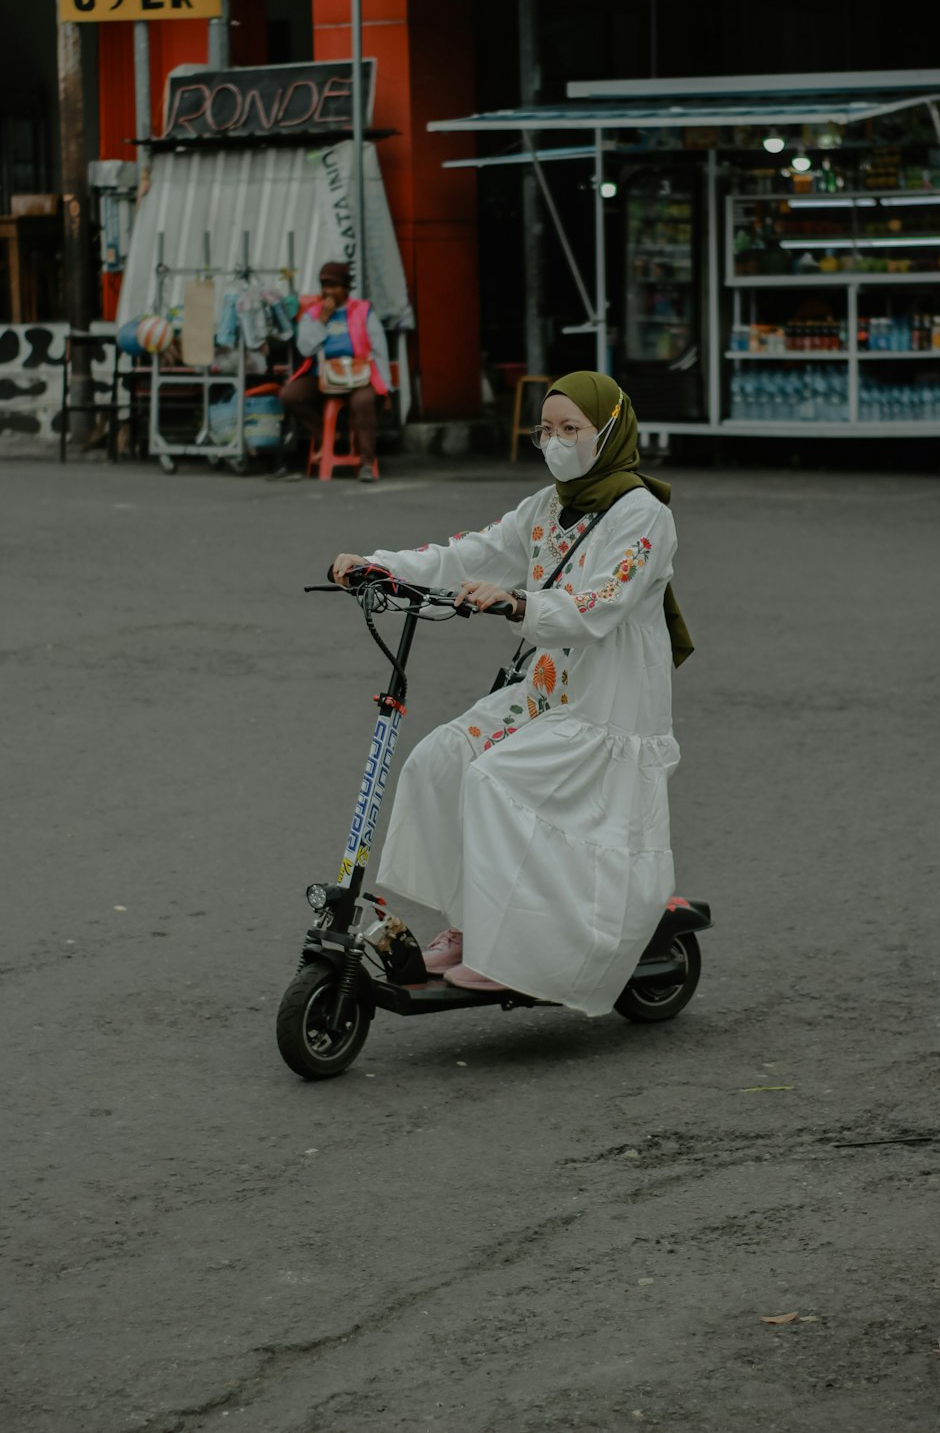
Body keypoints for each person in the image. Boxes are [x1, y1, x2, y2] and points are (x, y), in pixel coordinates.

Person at [330, 371, 693, 1017]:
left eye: (570, 430)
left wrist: (520, 601)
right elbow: (470, 553)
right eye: (545, 430)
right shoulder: (546, 506)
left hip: (607, 707)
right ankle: (475, 924)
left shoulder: (645, 516)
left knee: (494, 780)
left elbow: (599, 604)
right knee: (441, 761)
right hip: (547, 693)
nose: (555, 442)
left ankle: (511, 954)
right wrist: (381, 564)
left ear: (609, 432)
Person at [276, 259, 390, 481]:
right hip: (323, 377)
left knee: (363, 402)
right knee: (290, 395)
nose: (328, 291)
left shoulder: (362, 311)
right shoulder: (313, 314)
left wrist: (385, 389)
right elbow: (304, 348)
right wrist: (322, 321)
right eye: (324, 286)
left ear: (345, 288)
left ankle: (367, 463)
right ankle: (328, 437)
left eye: (334, 286)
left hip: (358, 376)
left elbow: (379, 349)